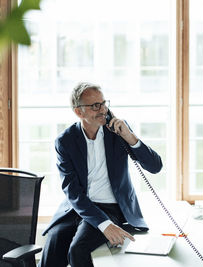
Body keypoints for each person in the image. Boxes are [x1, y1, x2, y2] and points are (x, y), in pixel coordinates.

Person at [39, 82, 163, 267]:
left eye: (104, 103)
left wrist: (130, 137)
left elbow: (155, 166)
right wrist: (104, 225)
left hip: (110, 207)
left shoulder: (118, 131)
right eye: (95, 105)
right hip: (78, 206)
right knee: (51, 251)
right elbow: (72, 192)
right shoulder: (65, 141)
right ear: (78, 112)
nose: (103, 109)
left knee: (78, 249)